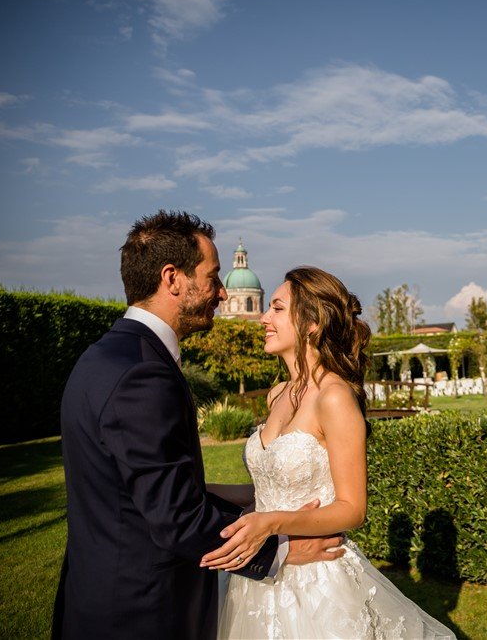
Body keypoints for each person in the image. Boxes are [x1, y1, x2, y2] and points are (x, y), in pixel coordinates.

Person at [53, 211, 344, 640]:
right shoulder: (142, 374)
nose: (223, 293)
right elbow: (175, 519)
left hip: (98, 593)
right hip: (141, 612)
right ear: (173, 279)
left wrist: (260, 504)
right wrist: (282, 548)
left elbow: (142, 491)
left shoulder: (105, 355)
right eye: (212, 277)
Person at [202, 266, 455, 639]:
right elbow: (268, 491)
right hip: (262, 573)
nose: (263, 318)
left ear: (311, 324)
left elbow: (352, 508)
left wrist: (270, 523)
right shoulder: (278, 394)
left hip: (317, 583)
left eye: (276, 309)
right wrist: (200, 486)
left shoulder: (334, 397)